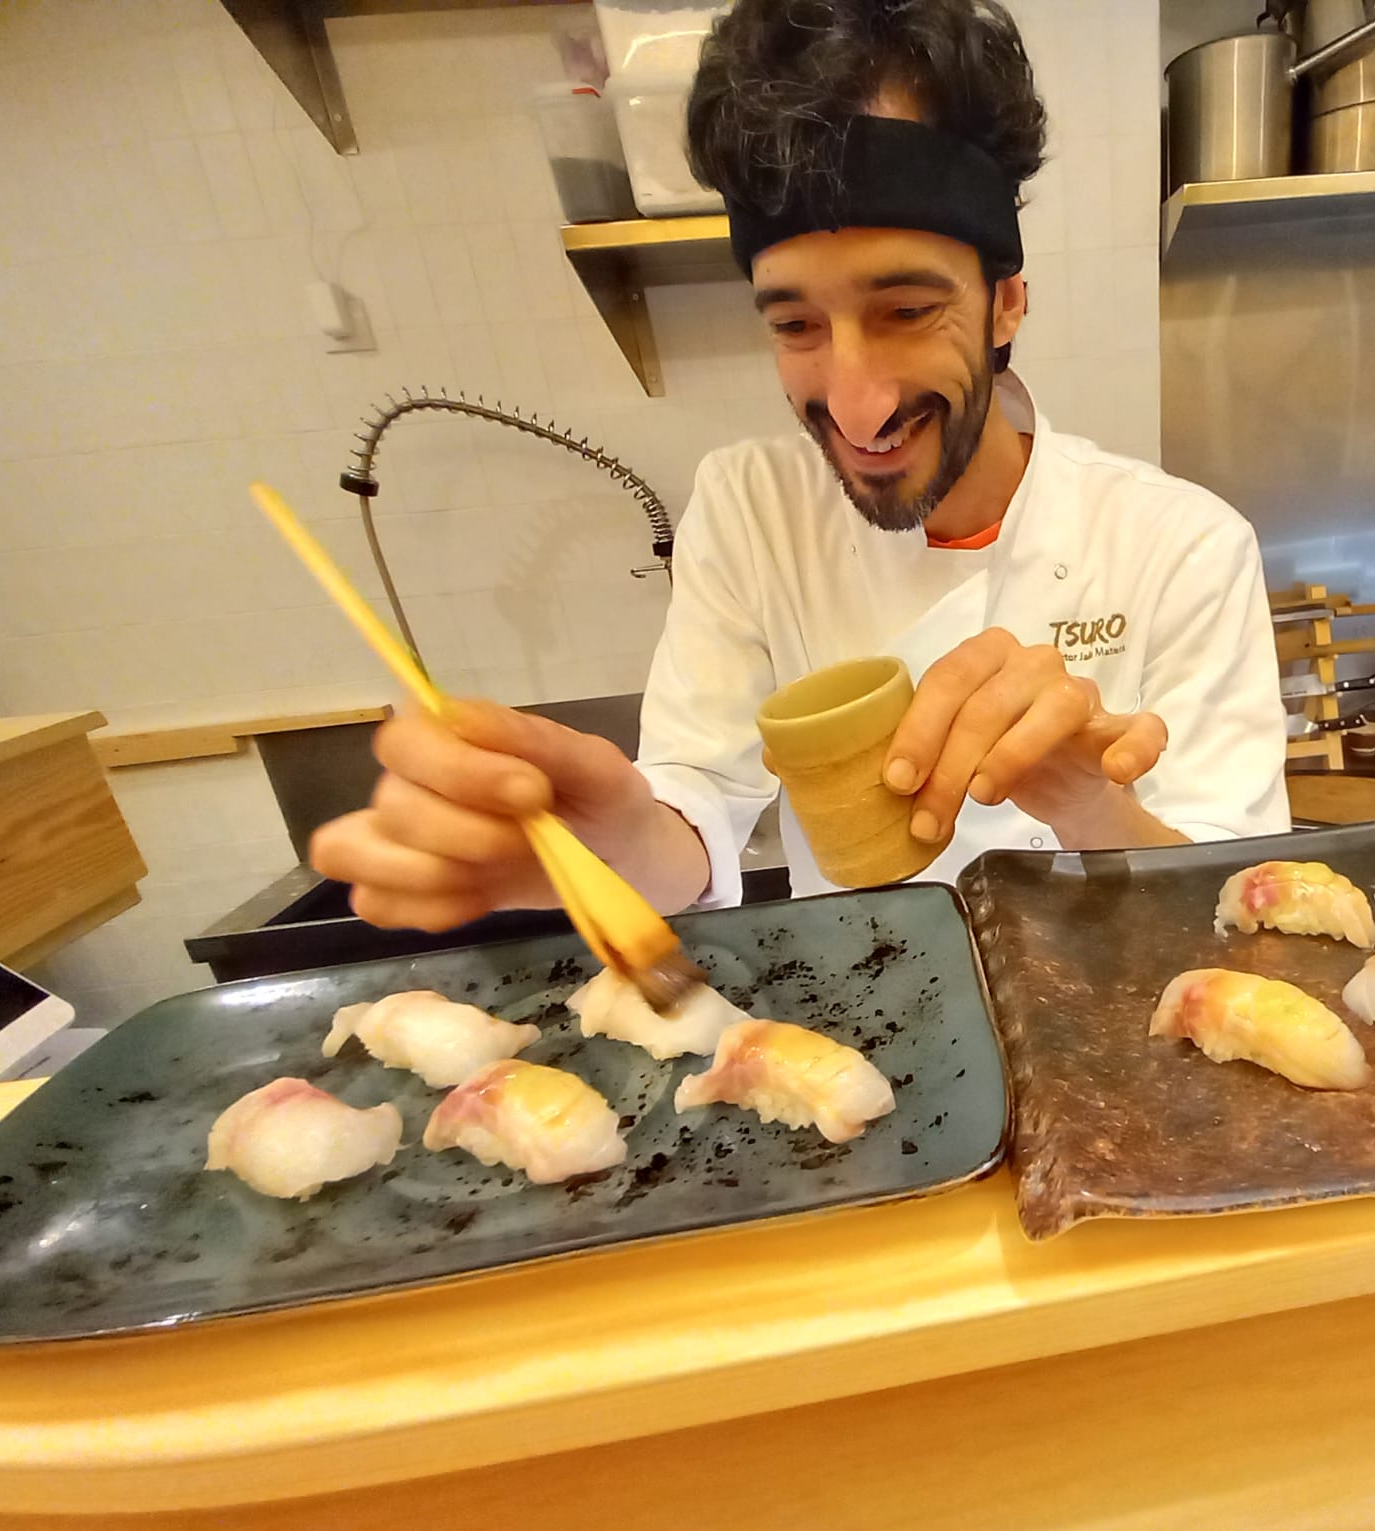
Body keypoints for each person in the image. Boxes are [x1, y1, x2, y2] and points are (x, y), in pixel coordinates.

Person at [309, 0, 1288, 929]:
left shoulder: (1180, 545)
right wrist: (612, 845)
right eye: (795, 324)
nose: (856, 405)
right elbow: (698, 812)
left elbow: (1234, 911)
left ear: (1005, 304)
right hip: (882, 1044)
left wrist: (1088, 806)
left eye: (906, 311)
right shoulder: (748, 508)